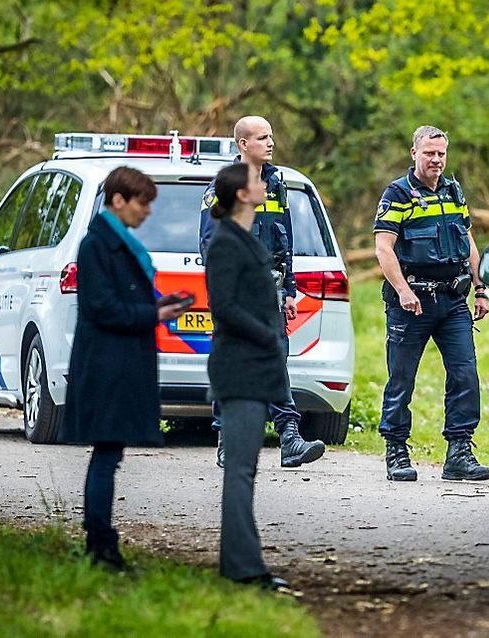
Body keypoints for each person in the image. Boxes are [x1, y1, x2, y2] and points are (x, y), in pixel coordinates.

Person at [58, 166, 189, 571]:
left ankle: (102, 543)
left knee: (109, 454)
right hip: (106, 365)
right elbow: (100, 307)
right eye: (142, 203)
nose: (148, 212)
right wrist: (153, 312)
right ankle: (100, 546)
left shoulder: (121, 244)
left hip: (121, 362)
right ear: (118, 200)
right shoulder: (98, 245)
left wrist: (160, 306)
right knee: (106, 454)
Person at [199, 115, 324, 469]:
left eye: (272, 136)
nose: (270, 143)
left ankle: (289, 439)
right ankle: (228, 439)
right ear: (243, 144)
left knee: (274, 361)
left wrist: (289, 290)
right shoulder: (222, 189)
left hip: (270, 292)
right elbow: (211, 245)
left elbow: (285, 240)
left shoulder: (277, 184)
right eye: (262, 138)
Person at [373, 125, 489, 482]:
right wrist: (402, 291)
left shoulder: (453, 191)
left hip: (453, 301)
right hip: (412, 303)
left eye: (441, 153)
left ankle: (459, 452)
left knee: (465, 374)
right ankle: (395, 448)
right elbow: (384, 248)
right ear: (414, 153)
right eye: (429, 153)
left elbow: (468, 241)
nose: (436, 160)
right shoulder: (397, 194)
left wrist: (481, 287)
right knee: (402, 377)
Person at [205, 162, 290, 589]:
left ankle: (246, 564)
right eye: (257, 181)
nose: (263, 185)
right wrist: (267, 335)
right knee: (239, 471)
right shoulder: (224, 243)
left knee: (247, 471)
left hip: (257, 369)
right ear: (241, 194)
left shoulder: (246, 238)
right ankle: (243, 570)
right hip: (238, 368)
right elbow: (225, 307)